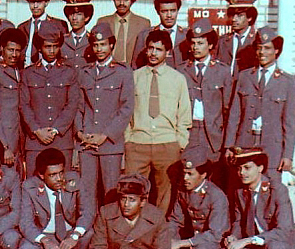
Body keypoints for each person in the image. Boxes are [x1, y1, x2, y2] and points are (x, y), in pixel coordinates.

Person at [124, 30, 191, 215]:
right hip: (138, 144)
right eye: (150, 48)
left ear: (167, 52)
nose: (153, 53)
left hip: (167, 144)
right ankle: (135, 233)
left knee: (166, 195)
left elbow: (184, 114)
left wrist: (179, 142)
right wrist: (128, 140)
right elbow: (126, 111)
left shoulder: (178, 79)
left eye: (159, 49)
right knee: (133, 190)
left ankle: (161, 232)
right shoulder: (133, 77)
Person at [225, 26, 295, 183]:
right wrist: (229, 145)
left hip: (272, 149)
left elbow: (290, 123)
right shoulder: (244, 77)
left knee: (269, 192)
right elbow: (234, 114)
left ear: (276, 51)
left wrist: (287, 155)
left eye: (267, 48)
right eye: (259, 48)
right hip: (244, 145)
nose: (262, 53)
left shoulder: (287, 82)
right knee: (241, 192)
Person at [19, 148, 95, 249]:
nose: (59, 178)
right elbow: (25, 223)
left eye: (61, 173)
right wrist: (45, 240)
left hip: (68, 234)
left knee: (89, 233)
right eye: (53, 175)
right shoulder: (29, 187)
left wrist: (75, 236)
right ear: (41, 175)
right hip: (45, 235)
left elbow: (88, 212)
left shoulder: (74, 180)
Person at [75, 22, 134, 204]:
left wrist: (106, 135)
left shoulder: (123, 72)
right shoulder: (85, 72)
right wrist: (79, 132)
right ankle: (87, 228)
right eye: (95, 45)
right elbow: (78, 106)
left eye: (103, 44)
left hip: (110, 144)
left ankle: (109, 228)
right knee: (86, 192)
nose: (99, 49)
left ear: (111, 45)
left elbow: (126, 108)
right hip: (87, 142)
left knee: (110, 191)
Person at [177, 19, 232, 187]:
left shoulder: (222, 71)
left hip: (213, 134)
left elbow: (227, 108)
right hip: (189, 131)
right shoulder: (181, 70)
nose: (195, 47)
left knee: (213, 178)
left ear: (210, 45)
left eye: (200, 43)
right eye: (193, 43)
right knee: (187, 175)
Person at [20, 21, 80, 176]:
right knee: (34, 184)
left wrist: (55, 130)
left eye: (55, 46)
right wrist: (36, 130)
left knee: (62, 183)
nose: (52, 51)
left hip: (61, 139)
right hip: (35, 141)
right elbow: (24, 105)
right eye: (47, 46)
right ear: (40, 47)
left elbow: (72, 104)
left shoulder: (69, 72)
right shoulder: (28, 73)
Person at [167, 153, 229, 249]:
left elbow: (214, 235)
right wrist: (168, 240)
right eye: (184, 173)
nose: (185, 178)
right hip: (192, 247)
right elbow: (175, 220)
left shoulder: (216, 195)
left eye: (190, 174)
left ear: (203, 175)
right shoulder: (182, 191)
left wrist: (182, 243)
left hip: (212, 247)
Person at [0, 28, 27, 172]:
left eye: (18, 50)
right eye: (10, 50)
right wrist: (3, 146)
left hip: (17, 139)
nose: (14, 54)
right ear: (2, 49)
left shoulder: (19, 71)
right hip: (3, 140)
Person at [97, 0, 150, 65]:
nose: (122, 3)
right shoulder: (103, 22)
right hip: (107, 72)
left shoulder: (143, 23)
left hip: (132, 72)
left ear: (132, 0)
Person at [132, 0, 189, 70]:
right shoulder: (145, 35)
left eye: (173, 11)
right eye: (164, 11)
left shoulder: (187, 36)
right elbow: (136, 66)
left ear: (178, 10)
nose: (169, 15)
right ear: (158, 12)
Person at [17, 0, 69, 67]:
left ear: (46, 2)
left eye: (39, 2)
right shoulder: (22, 27)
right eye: (32, 2)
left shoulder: (58, 25)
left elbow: (63, 52)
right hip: (25, 70)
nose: (35, 6)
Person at [216, 0, 259, 77]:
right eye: (232, 15)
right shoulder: (223, 40)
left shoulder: (256, 40)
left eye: (239, 15)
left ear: (250, 17)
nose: (234, 19)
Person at [61, 0, 95, 68]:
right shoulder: (62, 40)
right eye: (71, 14)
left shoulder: (93, 41)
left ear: (86, 17)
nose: (74, 18)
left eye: (78, 14)